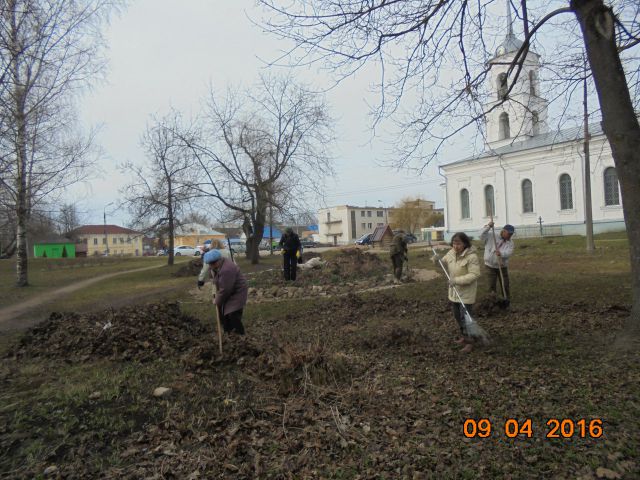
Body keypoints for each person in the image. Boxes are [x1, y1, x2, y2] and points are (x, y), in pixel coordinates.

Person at [434, 232, 481, 353]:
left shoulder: (471, 257)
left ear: (465, 243)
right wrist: (436, 260)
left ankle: (470, 342)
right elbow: (443, 264)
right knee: (457, 316)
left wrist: (456, 281)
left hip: (466, 293)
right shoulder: (450, 253)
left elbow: (474, 275)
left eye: (458, 243)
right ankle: (464, 337)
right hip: (454, 293)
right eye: (454, 243)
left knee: (465, 317)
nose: (456, 246)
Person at [197, 249, 248, 334]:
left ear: (218, 260)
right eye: (209, 264)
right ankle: (229, 334)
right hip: (230, 291)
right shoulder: (218, 265)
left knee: (233, 315)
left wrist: (217, 300)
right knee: (225, 316)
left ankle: (240, 337)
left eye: (212, 264)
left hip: (237, 293)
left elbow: (225, 290)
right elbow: (216, 280)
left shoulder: (226, 270)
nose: (210, 266)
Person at [479, 222, 515, 303]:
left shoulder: (511, 243)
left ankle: (506, 300)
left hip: (502, 266)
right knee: (491, 285)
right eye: (508, 233)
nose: (510, 236)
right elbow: (480, 235)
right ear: (503, 231)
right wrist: (488, 226)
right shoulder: (492, 235)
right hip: (490, 266)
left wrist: (501, 254)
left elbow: (509, 252)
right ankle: (491, 301)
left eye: (511, 234)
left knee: (505, 284)